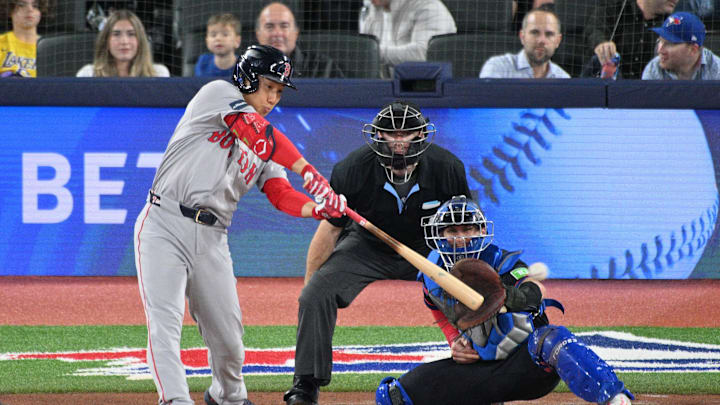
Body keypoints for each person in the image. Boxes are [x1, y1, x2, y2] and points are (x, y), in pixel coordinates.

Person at [134, 44, 346, 405]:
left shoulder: (265, 144)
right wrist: (308, 170)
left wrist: (318, 209)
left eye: (279, 91)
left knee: (229, 341)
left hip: (213, 237)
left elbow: (279, 193)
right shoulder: (218, 94)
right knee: (165, 325)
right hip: (164, 223)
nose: (273, 98)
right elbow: (255, 132)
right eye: (269, 87)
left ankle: (227, 396)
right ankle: (175, 400)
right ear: (248, 77)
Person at [283, 101, 472, 405]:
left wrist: (469, 276)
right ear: (378, 135)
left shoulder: (447, 167)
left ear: (421, 134)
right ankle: (306, 384)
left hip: (429, 246)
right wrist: (311, 285)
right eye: (390, 133)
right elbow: (330, 229)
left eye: (406, 133)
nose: (398, 141)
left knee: (471, 291)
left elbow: (465, 228)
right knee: (314, 295)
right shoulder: (352, 169)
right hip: (366, 245)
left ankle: (481, 375)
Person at [374, 195, 635, 405]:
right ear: (439, 235)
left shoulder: (503, 261)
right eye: (452, 230)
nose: (461, 237)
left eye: (468, 228)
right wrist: (455, 340)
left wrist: (503, 296)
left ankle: (615, 397)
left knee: (552, 337)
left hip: (527, 365)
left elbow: (536, 291)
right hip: (481, 372)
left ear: (482, 230)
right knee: (393, 395)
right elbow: (435, 306)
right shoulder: (434, 274)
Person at [359, 0, 457, 78]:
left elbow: (422, 55)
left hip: (427, 90)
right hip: (388, 90)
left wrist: (370, 51)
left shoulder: (429, 7)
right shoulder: (372, 12)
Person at [584, 0, 677, 79]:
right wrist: (602, 45)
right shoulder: (614, 7)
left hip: (646, 92)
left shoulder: (673, 25)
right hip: (609, 88)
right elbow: (595, 31)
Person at [255, 2, 344, 78]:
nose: (277, 33)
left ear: (296, 33)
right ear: (258, 34)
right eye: (269, 27)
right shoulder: (245, 70)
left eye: (284, 26)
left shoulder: (324, 69)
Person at [480, 8, 570, 79]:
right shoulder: (498, 68)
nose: (541, 40)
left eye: (549, 34)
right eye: (535, 32)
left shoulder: (563, 78)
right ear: (522, 37)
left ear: (558, 41)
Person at [76, 9, 170, 77]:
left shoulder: (159, 74)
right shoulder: (88, 74)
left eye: (131, 34)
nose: (124, 41)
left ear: (140, 41)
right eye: (116, 34)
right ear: (106, 41)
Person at [642, 11, 720, 79]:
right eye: (660, 41)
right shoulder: (654, 68)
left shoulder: (716, 70)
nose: (660, 50)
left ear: (693, 50)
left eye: (669, 44)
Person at [0, 0, 46, 78]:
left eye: (35, 6)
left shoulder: (50, 47)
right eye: (21, 5)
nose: (30, 9)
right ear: (10, 9)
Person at [194, 13, 242, 77]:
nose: (218, 38)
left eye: (225, 34)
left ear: (237, 41)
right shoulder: (203, 62)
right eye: (213, 35)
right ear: (207, 41)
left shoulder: (243, 66)